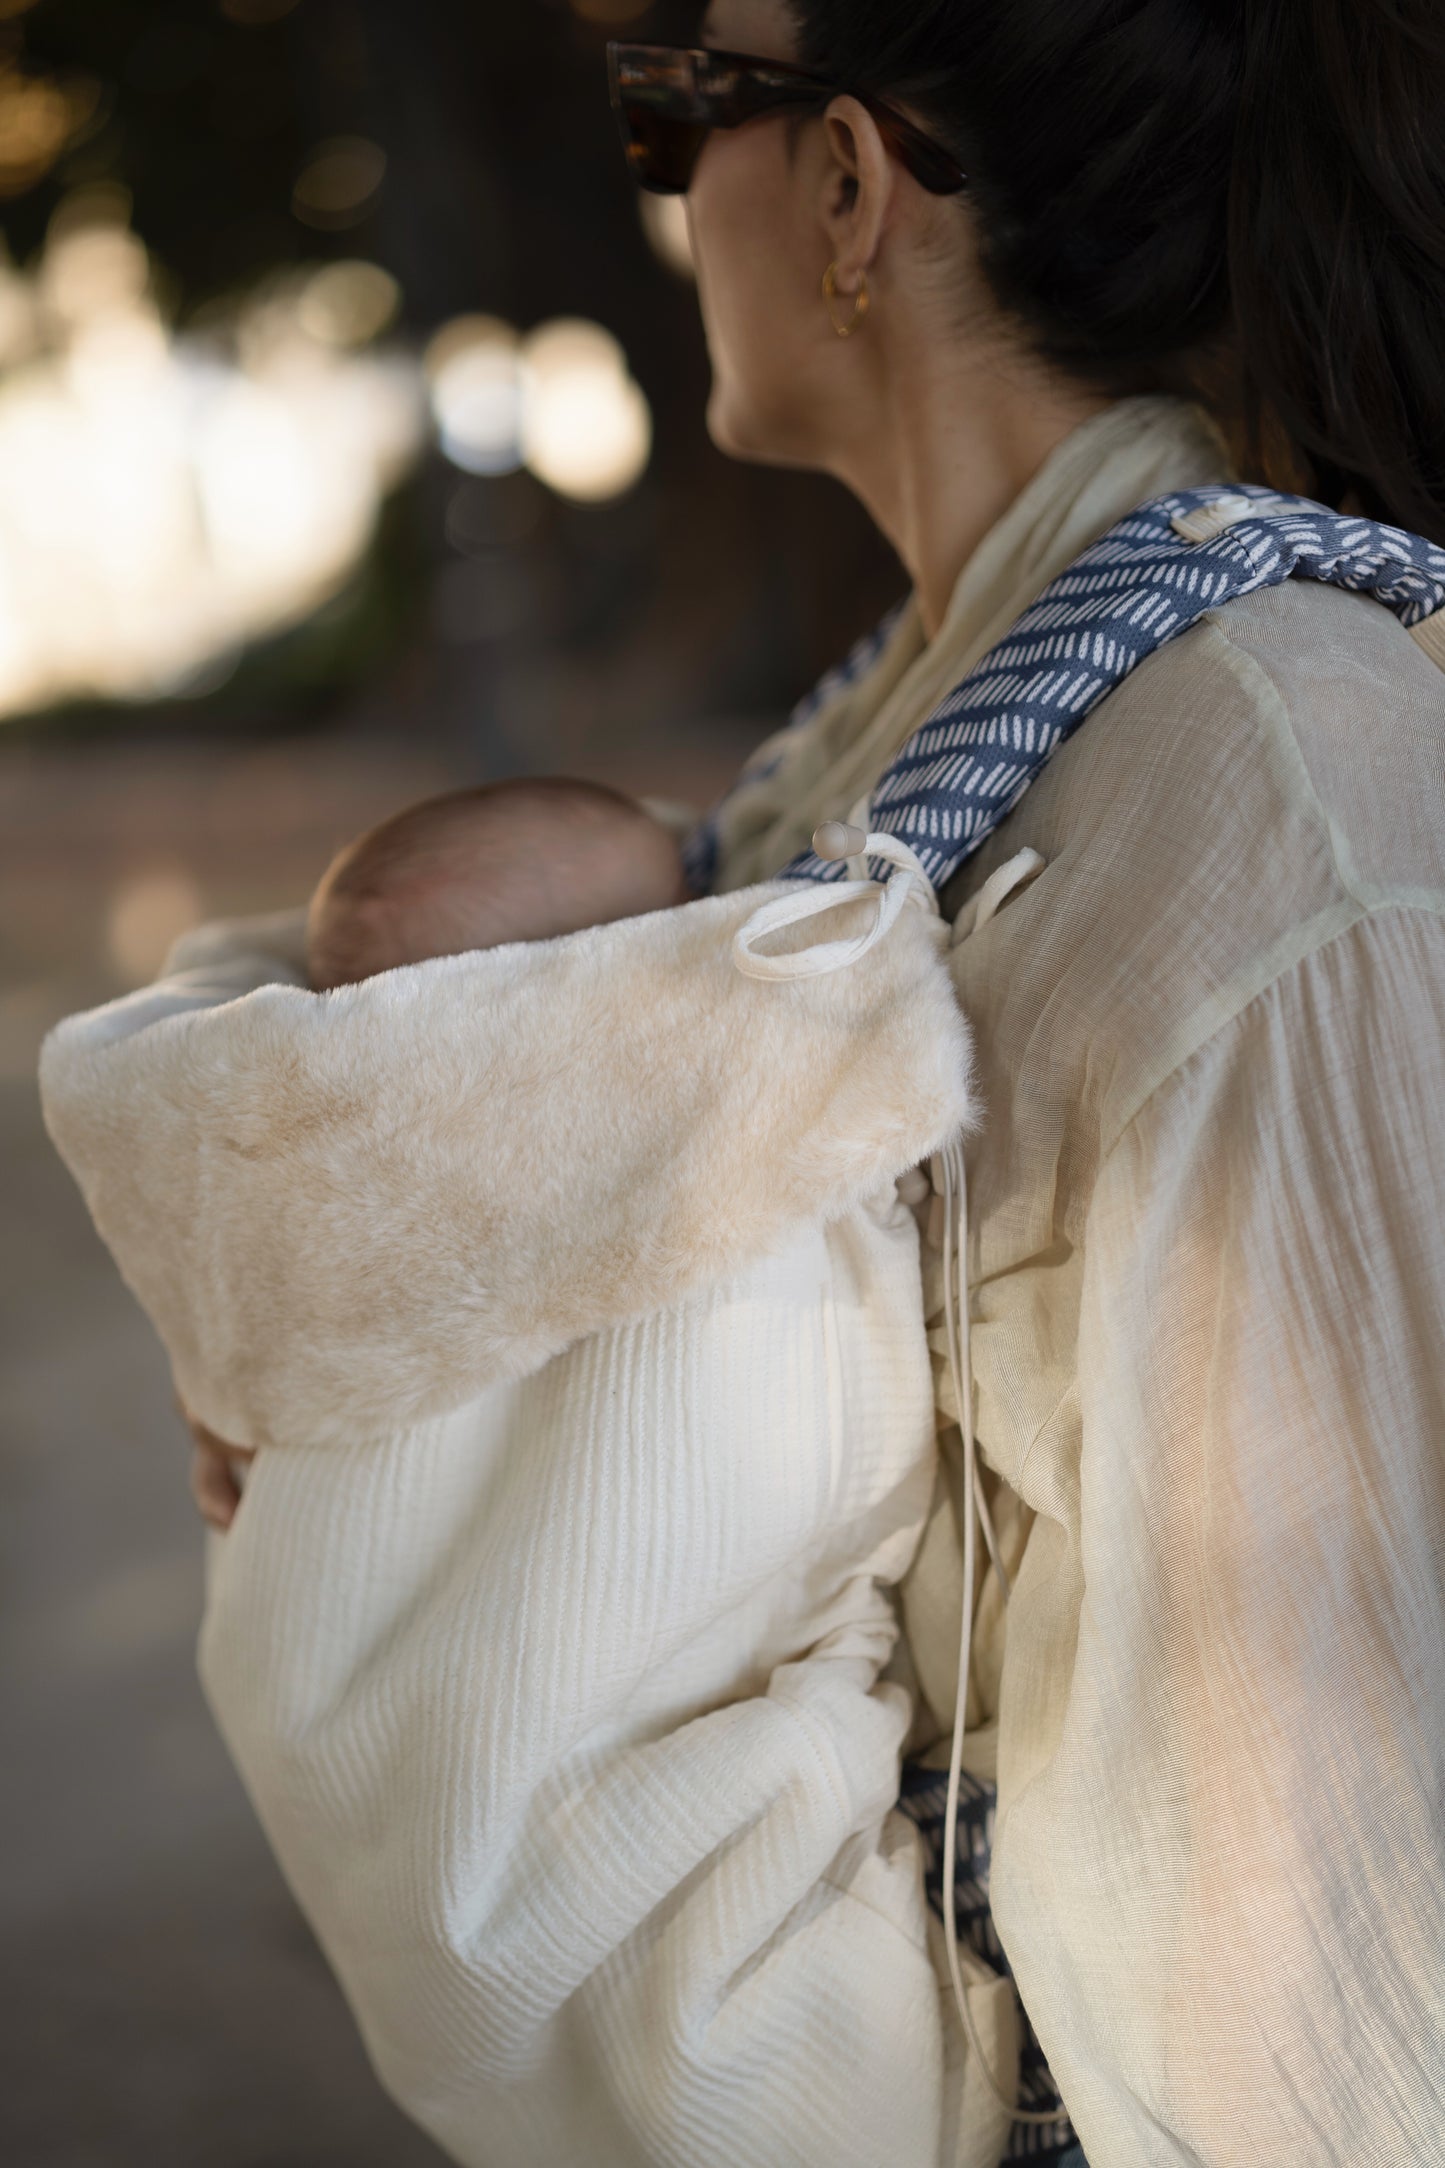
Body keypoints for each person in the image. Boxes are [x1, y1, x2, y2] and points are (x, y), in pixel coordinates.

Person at [182, 0, 1445, 2160]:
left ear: (852, 189)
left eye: (679, 111)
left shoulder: (1271, 780)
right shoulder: (862, 764)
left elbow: (1338, 1947)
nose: (662, 191)